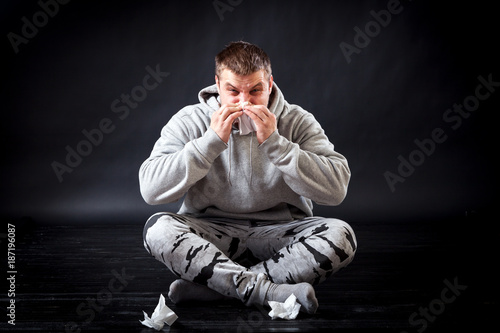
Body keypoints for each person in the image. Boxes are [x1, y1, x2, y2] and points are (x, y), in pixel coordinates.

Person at [139, 41, 356, 314]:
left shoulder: (297, 120)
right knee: (158, 229)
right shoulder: (189, 120)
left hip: (280, 236)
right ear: (218, 85)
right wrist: (209, 144)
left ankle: (217, 288)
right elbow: (151, 190)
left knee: (342, 235)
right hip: (211, 236)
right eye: (233, 91)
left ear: (270, 84)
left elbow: (336, 190)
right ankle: (268, 291)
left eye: (255, 90)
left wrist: (277, 145)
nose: (244, 102)